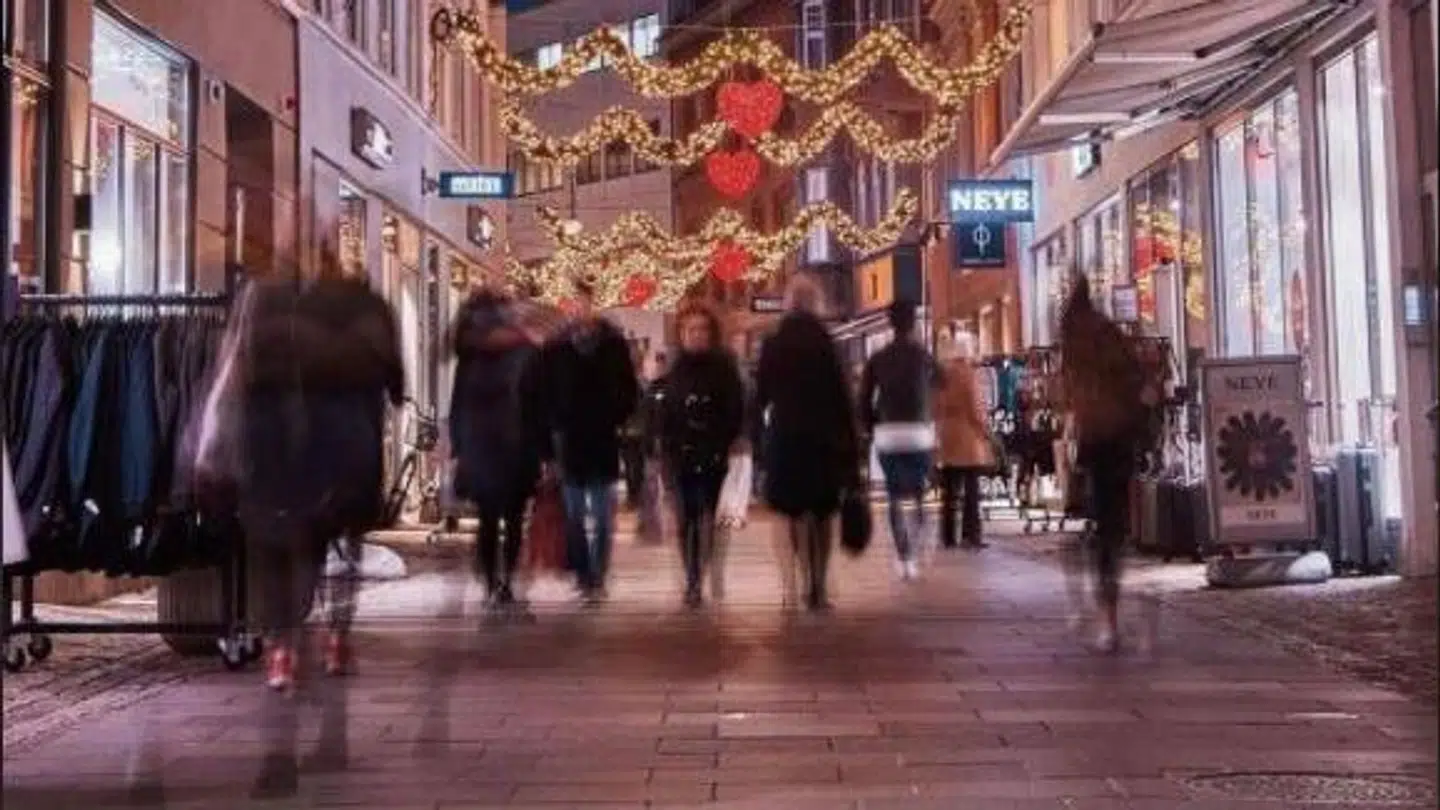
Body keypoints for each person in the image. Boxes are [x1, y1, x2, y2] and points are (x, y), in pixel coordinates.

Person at [753, 275, 859, 611]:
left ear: (787, 304)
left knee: (789, 512)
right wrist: (851, 444)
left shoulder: (773, 343)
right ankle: (818, 583)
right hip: (824, 440)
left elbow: (760, 396)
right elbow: (843, 398)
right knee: (823, 512)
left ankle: (793, 583)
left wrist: (756, 439)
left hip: (785, 438)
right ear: (816, 305)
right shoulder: (828, 343)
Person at [1058, 274, 1148, 652]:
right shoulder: (1108, 333)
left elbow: (1070, 390)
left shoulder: (1073, 339)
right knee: (1113, 527)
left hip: (1094, 438)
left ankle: (1105, 613)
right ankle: (1109, 607)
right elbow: (1135, 379)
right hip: (1119, 437)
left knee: (1102, 523)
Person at [536, 281, 638, 601]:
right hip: (570, 442)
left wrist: (614, 414)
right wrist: (550, 438)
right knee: (575, 515)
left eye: (584, 301)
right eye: (574, 302)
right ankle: (584, 575)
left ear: (593, 304)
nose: (579, 308)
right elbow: (545, 396)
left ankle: (598, 575)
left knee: (605, 517)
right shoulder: (556, 349)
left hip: (603, 440)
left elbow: (628, 390)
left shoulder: (612, 344)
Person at [448, 289, 546, 613]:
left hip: (483, 445)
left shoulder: (471, 352)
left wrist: (458, 444)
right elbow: (535, 403)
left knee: (489, 518)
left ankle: (494, 582)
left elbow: (458, 400)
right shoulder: (525, 351)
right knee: (513, 518)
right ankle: (502, 582)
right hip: (515, 442)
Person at [657, 305, 745, 607]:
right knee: (686, 517)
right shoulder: (674, 370)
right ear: (681, 334)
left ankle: (701, 571)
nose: (696, 335)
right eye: (690, 330)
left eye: (702, 329)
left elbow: (735, 409)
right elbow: (664, 413)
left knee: (705, 513)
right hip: (680, 453)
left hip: (712, 452)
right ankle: (692, 576)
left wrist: (726, 439)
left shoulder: (724, 369)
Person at [858, 300, 944, 580]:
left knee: (894, 496)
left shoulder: (879, 358)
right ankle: (919, 541)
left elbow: (863, 399)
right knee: (919, 493)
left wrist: (871, 428)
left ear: (889, 323)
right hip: (919, 432)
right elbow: (942, 381)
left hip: (889, 433)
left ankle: (904, 558)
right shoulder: (922, 355)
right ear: (913, 323)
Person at [935, 331, 993, 550]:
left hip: (948, 435)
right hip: (968, 437)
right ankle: (971, 535)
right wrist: (984, 430)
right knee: (971, 490)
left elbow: (935, 405)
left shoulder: (943, 375)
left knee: (950, 490)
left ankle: (948, 536)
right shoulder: (969, 375)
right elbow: (976, 408)